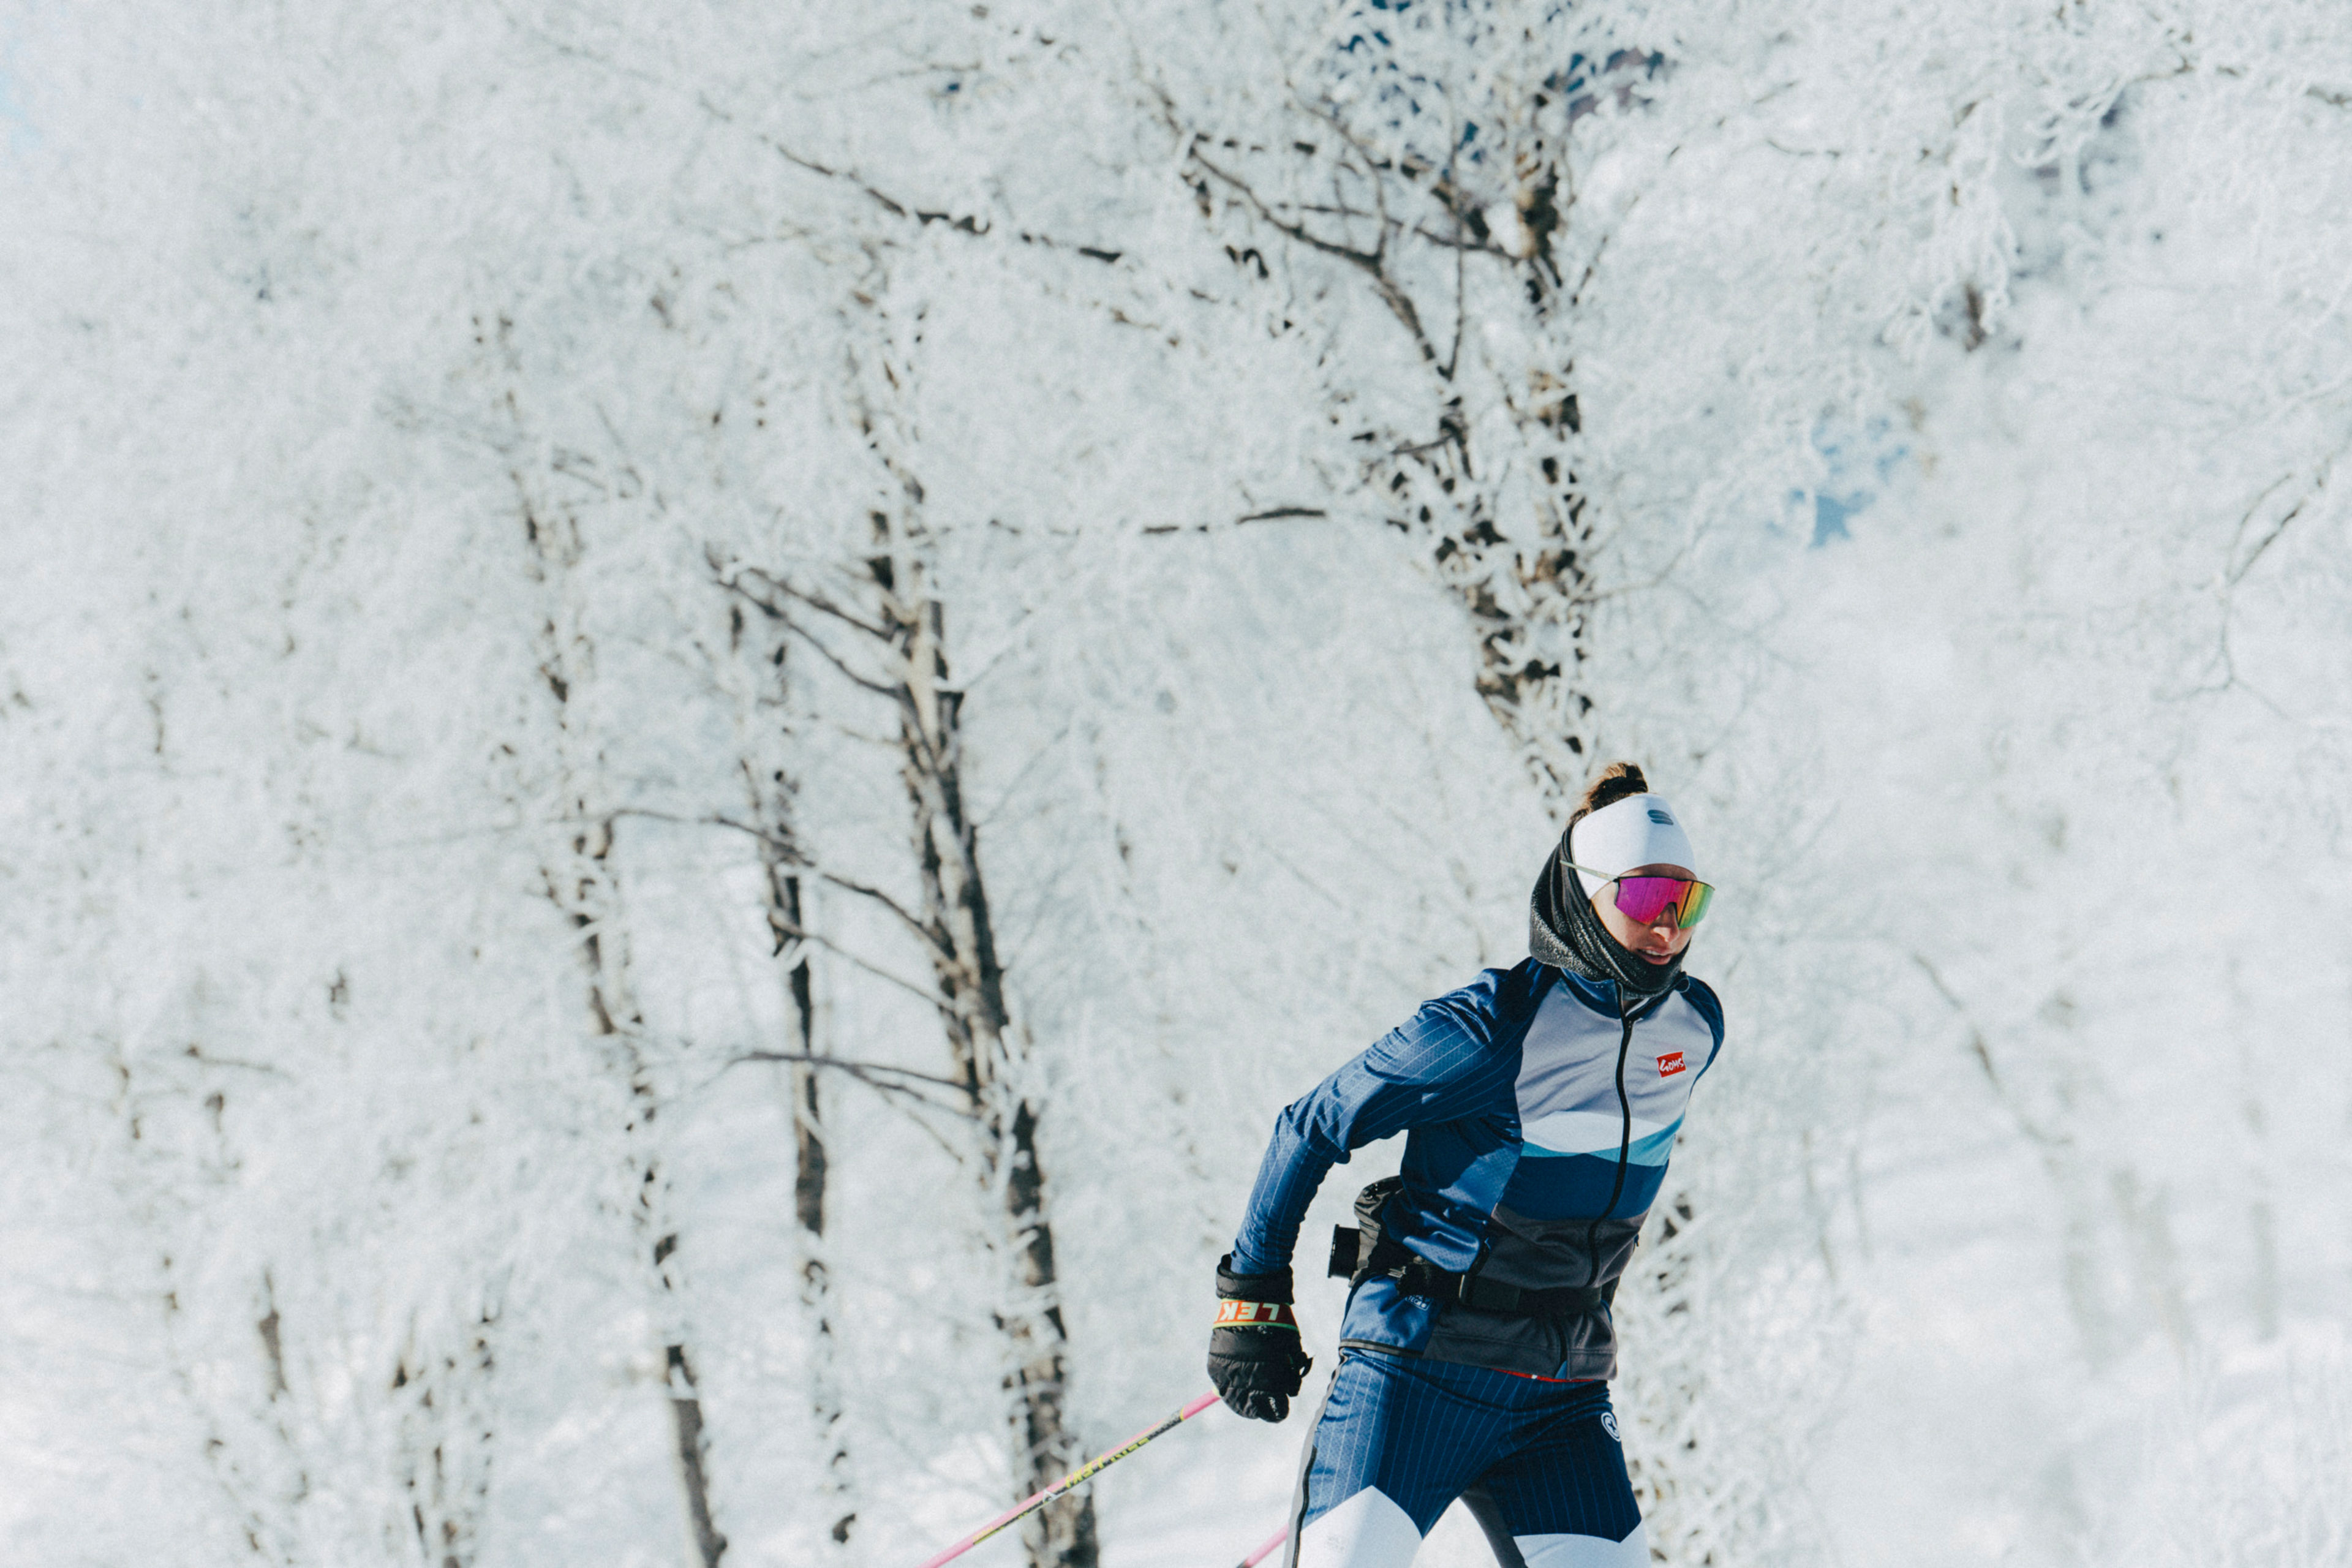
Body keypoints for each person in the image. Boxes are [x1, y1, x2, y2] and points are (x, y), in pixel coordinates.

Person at [1205, 763, 1725, 1568]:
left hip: (1561, 1393)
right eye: (1646, 901)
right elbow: (1311, 1125)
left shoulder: (1694, 1029)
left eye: (1687, 904)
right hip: (1419, 1375)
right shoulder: (1491, 1027)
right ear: (1584, 899)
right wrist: (1253, 1299)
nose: (1669, 929)